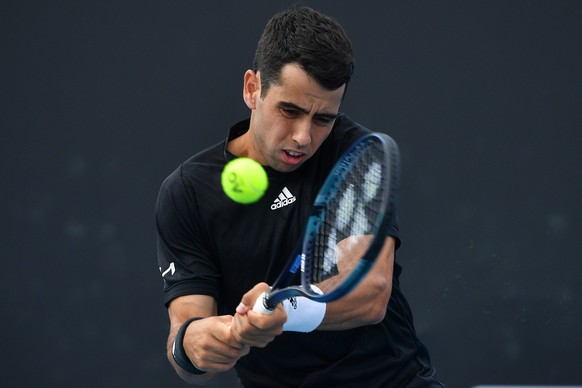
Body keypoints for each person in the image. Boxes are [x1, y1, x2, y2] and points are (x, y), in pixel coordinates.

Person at [156, 6, 444, 387]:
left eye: (323, 118)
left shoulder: (352, 153)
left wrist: (285, 310)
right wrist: (196, 344)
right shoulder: (187, 193)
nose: (303, 137)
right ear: (252, 89)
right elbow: (187, 332)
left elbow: (370, 292)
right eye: (289, 111)